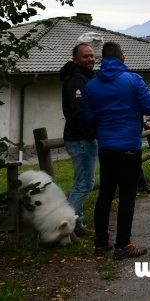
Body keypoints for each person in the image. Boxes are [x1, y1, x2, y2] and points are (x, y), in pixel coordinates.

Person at [84, 42, 150, 259]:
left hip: (106, 145)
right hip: (128, 146)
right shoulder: (133, 79)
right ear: (122, 58)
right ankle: (123, 245)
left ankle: (100, 244)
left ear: (102, 59)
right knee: (127, 196)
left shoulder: (92, 85)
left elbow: (89, 117)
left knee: (105, 194)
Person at [60, 42, 98, 238]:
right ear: (75, 59)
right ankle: (66, 229)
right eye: (85, 56)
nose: (90, 59)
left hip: (80, 138)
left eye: (92, 56)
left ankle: (77, 225)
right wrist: (90, 136)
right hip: (81, 139)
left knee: (79, 183)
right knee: (85, 184)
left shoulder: (82, 77)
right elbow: (79, 113)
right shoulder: (77, 80)